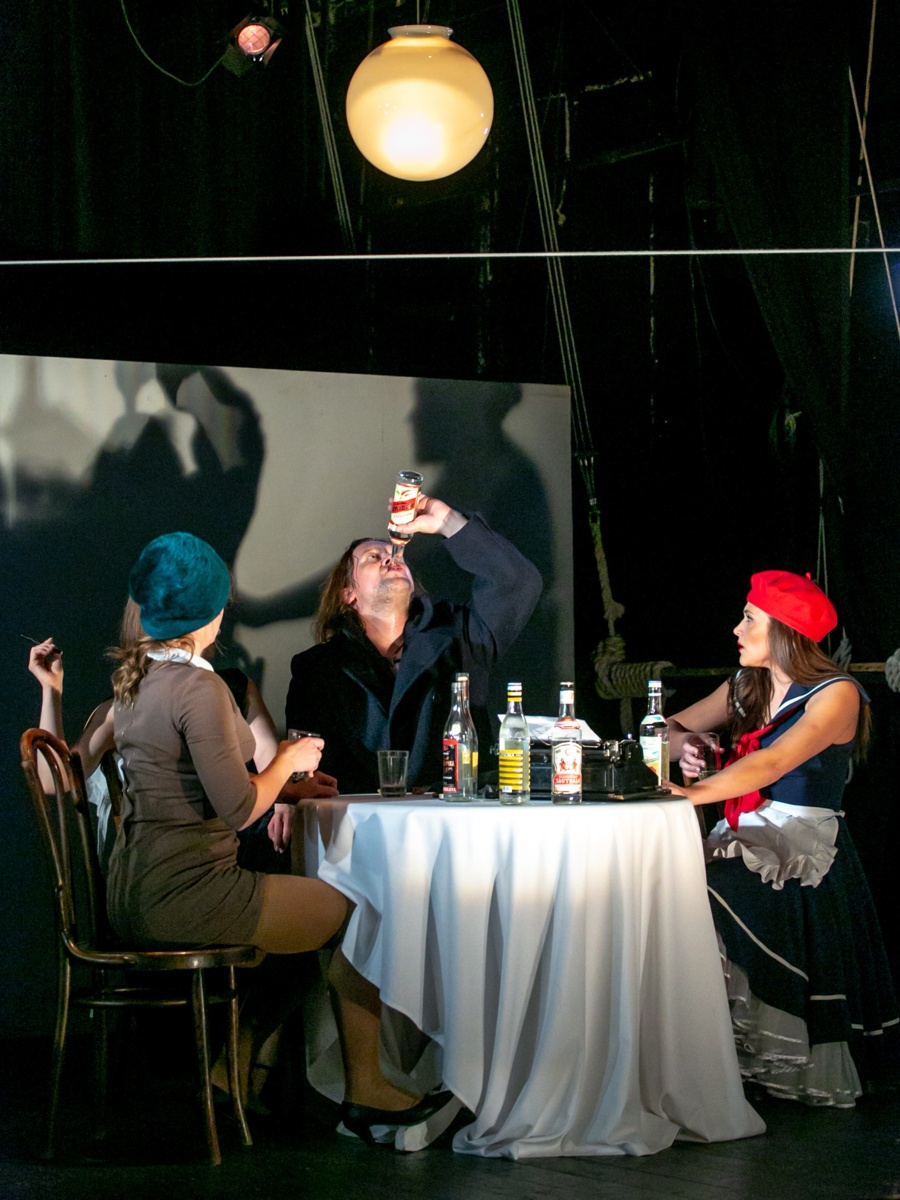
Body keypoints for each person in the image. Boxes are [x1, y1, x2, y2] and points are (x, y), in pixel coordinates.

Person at [105, 531, 458, 1145]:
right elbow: (240, 807)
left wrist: (289, 790)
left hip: (133, 891)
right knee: (363, 912)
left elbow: (196, 786)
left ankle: (232, 1069)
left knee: (297, 942)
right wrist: (288, 761)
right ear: (210, 609)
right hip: (186, 893)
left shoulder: (140, 682)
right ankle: (367, 1090)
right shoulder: (199, 687)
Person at [666, 569, 898, 1106]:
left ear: (786, 631)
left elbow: (772, 762)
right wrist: (688, 744)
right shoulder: (745, 684)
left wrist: (691, 794)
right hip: (743, 831)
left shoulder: (837, 694)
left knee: (709, 895)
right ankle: (709, 1061)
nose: (737, 629)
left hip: (799, 845)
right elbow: (664, 728)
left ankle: (764, 1060)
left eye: (750, 618)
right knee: (671, 894)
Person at [285, 491, 543, 793]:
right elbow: (302, 764)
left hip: (450, 813)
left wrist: (447, 522)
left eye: (396, 554)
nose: (391, 557)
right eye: (373, 557)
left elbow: (517, 582)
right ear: (348, 594)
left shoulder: (459, 635)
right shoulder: (317, 667)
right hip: (357, 816)